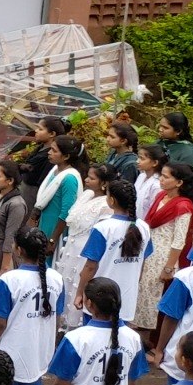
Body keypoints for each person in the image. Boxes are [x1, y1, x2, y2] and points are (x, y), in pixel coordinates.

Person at [0, 228, 65, 385]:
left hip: (10, 353)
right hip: (37, 354)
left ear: (19, 250)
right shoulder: (57, 279)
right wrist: (50, 345)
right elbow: (57, 318)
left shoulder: (9, 280)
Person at [74, 180, 150, 324]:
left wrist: (80, 292)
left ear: (112, 200)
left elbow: (90, 267)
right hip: (126, 298)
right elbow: (142, 264)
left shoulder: (103, 228)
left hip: (99, 297)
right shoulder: (144, 228)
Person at [140, 161, 193, 336]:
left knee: (157, 298)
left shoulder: (183, 206)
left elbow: (179, 241)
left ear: (179, 182)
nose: (162, 180)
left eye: (166, 177)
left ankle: (155, 342)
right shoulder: (161, 197)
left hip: (164, 257)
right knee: (144, 296)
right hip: (150, 253)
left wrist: (169, 267)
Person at [54, 163, 113, 314]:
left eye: (91, 178)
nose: (86, 180)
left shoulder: (106, 205)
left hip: (85, 249)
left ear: (104, 183)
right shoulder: (86, 195)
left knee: (78, 283)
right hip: (71, 247)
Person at [0, 159, 28, 302]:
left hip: (0, 251)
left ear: (10, 181)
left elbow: (11, 236)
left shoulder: (16, 204)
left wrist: (4, 266)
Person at [36, 134, 87, 256]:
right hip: (45, 225)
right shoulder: (54, 171)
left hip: (55, 230)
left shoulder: (69, 179)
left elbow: (66, 212)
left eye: (54, 150)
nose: (49, 152)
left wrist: (53, 240)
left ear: (66, 156)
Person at [13, 116, 67, 215]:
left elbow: (44, 183)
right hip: (26, 192)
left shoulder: (50, 157)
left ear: (52, 134)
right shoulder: (40, 148)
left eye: (40, 129)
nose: (36, 131)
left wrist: (36, 212)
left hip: (34, 196)